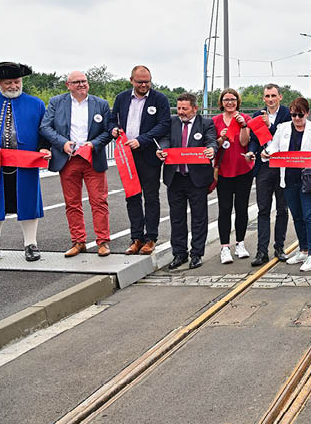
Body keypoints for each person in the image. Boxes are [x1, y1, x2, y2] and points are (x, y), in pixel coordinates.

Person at [40, 71, 113, 257]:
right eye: (77, 82)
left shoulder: (101, 104)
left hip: (92, 159)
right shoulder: (57, 102)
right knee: (72, 203)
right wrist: (62, 143)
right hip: (68, 159)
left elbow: (108, 131)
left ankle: (103, 241)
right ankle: (78, 241)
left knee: (99, 201)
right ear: (68, 85)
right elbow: (45, 127)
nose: (81, 85)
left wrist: (93, 144)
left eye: (84, 81)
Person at [263, 98, 311, 272]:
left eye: (300, 114)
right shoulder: (282, 128)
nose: (297, 118)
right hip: (289, 178)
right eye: (293, 114)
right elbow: (274, 147)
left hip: (308, 180)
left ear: (306, 113)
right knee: (297, 216)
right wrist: (266, 153)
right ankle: (304, 250)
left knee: (310, 216)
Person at [111, 65, 170, 256]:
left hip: (149, 155)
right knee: (132, 197)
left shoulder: (159, 99)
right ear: (131, 81)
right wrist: (113, 130)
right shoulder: (121, 98)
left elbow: (164, 125)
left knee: (151, 197)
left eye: (147, 81)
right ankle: (136, 237)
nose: (144, 85)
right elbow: (112, 120)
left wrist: (141, 140)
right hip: (127, 155)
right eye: (140, 82)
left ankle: (151, 237)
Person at [0, 62, 50, 262]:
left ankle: (30, 243)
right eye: (8, 82)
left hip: (26, 163)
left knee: (28, 202)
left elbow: (45, 130)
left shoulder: (36, 104)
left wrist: (45, 147)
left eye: (16, 82)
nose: (13, 86)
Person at [157, 93, 217, 270]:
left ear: (195, 108)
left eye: (185, 108)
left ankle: (197, 254)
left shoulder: (206, 123)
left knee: (199, 218)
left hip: (196, 179)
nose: (181, 112)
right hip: (175, 178)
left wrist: (211, 150)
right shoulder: (172, 122)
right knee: (177, 218)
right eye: (179, 108)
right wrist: (163, 150)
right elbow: (165, 140)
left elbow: (211, 141)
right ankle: (179, 254)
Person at [245, 83, 292, 265]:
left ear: (280, 97)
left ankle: (279, 247)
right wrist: (252, 152)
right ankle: (261, 251)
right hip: (264, 167)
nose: (270, 100)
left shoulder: (288, 114)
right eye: (267, 96)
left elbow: (282, 138)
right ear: (263, 98)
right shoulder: (257, 115)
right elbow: (255, 140)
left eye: (273, 96)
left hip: (282, 167)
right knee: (263, 209)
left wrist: (270, 125)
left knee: (282, 209)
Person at [213, 88, 254, 264]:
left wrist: (243, 126)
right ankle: (224, 247)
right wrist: (221, 139)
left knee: (241, 207)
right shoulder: (214, 121)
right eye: (226, 99)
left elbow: (245, 142)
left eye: (233, 99)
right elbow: (212, 145)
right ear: (221, 102)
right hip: (223, 169)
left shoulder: (246, 119)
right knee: (224, 209)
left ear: (238, 101)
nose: (230, 102)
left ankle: (240, 243)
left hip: (242, 169)